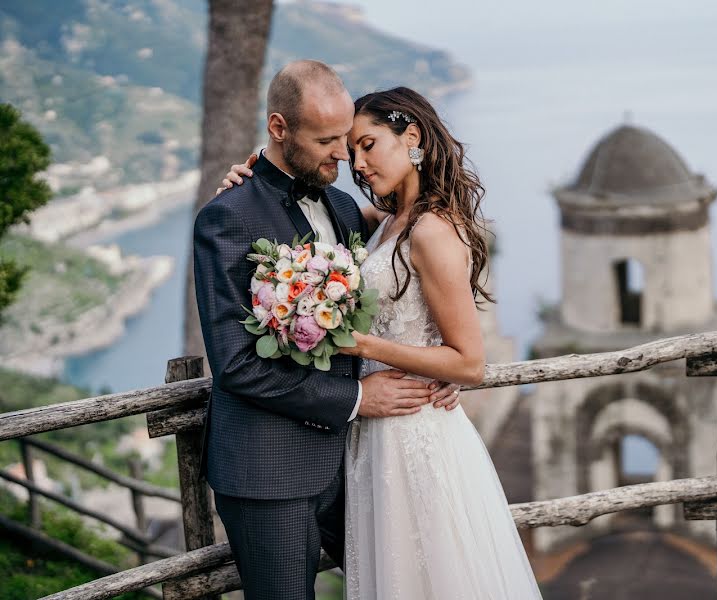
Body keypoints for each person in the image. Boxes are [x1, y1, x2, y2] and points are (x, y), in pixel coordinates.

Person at [221, 85, 542, 598]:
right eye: (351, 150)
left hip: (414, 432)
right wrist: (252, 175)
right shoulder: (383, 220)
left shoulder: (433, 229)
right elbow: (299, 215)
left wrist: (367, 348)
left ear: (411, 137)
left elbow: (470, 362)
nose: (357, 162)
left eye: (368, 144)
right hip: (371, 435)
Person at [195, 61, 460, 600]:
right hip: (268, 471)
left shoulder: (342, 206)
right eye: (327, 140)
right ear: (278, 129)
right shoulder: (228, 216)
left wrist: (434, 360)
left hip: (356, 463)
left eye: (348, 137)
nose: (345, 156)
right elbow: (237, 364)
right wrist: (359, 396)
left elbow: (399, 276)